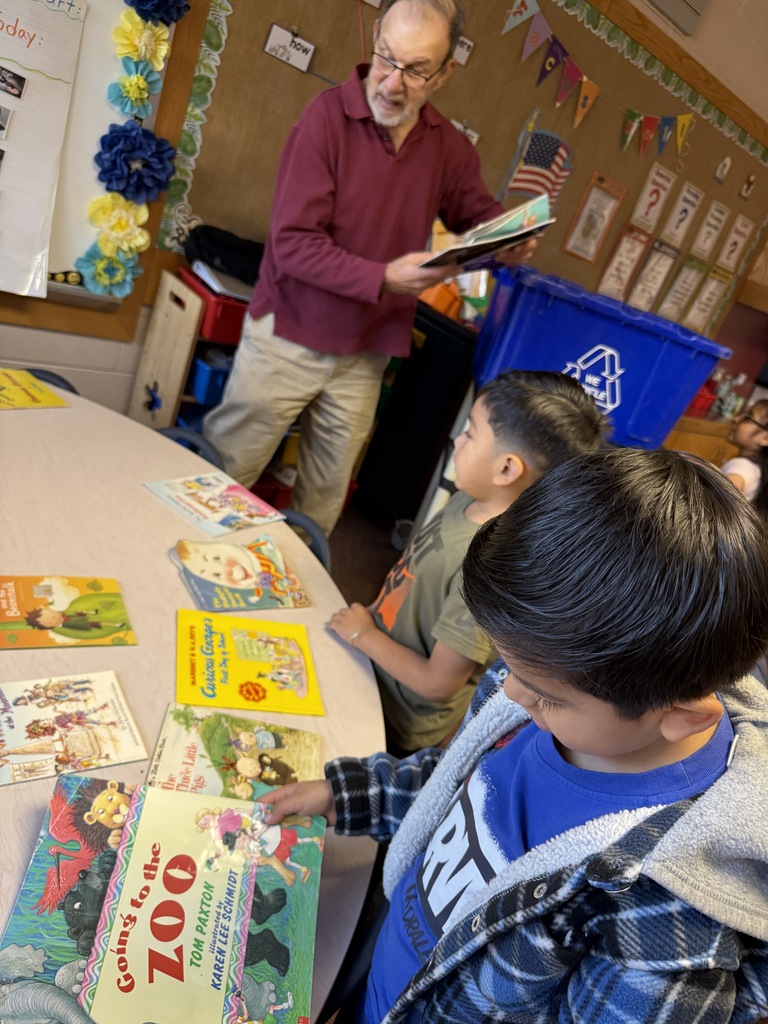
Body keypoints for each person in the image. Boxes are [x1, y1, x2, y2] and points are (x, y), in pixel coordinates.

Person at [260, 447, 768, 1023]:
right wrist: (344, 793)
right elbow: (460, 785)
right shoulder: (543, 684)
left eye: (544, 695)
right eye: (507, 669)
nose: (508, 695)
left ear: (679, 714)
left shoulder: (660, 919)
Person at [203, 0, 535, 536]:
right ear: (375, 38)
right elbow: (291, 244)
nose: (390, 83)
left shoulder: (447, 146)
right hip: (288, 333)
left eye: (416, 69)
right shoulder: (324, 118)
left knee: (322, 502)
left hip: (366, 353)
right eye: (385, 58)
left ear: (446, 71)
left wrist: (510, 242)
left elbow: (479, 217)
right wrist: (382, 278)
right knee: (226, 474)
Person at [326, 370, 609, 755]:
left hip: (394, 719)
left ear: (506, 469)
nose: (457, 440)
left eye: (471, 433)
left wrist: (364, 635)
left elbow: (437, 684)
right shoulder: (468, 498)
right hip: (371, 660)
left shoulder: (491, 565)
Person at [721, 398, 768, 512]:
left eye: (748, 418)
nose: (737, 419)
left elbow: (719, 509)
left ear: (766, 438)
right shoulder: (758, 469)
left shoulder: (740, 467)